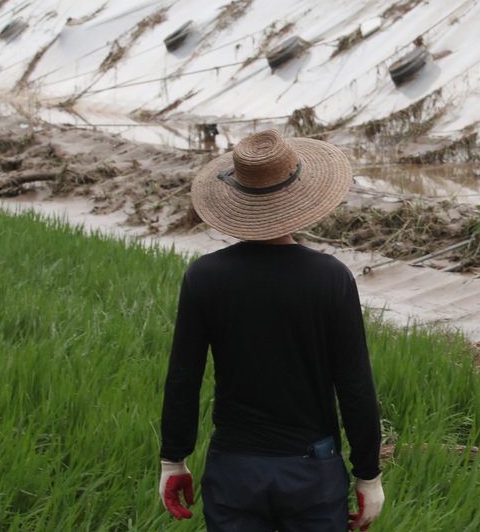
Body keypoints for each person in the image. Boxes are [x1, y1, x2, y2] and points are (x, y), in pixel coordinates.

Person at [158, 129, 385, 531]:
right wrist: (368, 475)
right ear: (301, 192)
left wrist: (173, 460)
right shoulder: (329, 278)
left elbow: (183, 378)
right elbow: (354, 384)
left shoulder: (205, 277)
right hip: (312, 473)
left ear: (237, 197)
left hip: (234, 469)